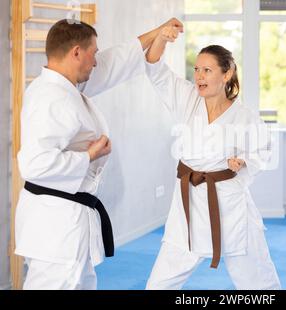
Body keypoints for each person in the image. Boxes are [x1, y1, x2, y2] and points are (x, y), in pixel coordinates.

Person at [15, 17, 183, 290]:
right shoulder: (50, 98)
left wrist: (156, 34)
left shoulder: (65, 86)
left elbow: (110, 64)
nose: (95, 62)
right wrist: (88, 156)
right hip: (55, 224)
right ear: (76, 53)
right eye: (92, 54)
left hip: (66, 219)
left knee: (81, 284)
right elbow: (35, 165)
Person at [144, 25, 281, 290]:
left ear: (226, 74)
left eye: (207, 70)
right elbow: (155, 70)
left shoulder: (245, 117)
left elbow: (263, 151)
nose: (199, 76)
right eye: (196, 69)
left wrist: (244, 162)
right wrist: (160, 37)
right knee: (159, 285)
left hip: (229, 206)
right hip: (188, 206)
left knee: (259, 282)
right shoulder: (187, 98)